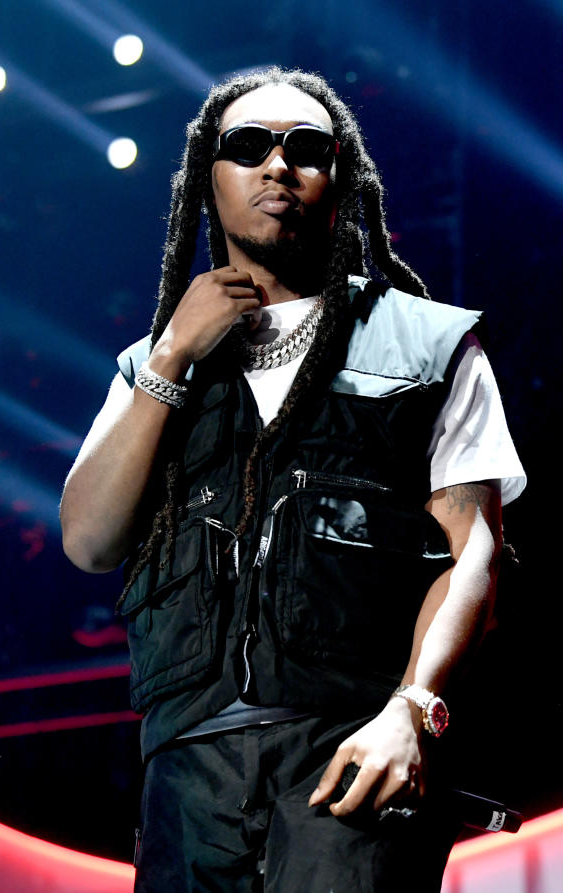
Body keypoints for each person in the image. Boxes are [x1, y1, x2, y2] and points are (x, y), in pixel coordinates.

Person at [60, 67, 526, 893]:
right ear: (209, 176)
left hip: (352, 752)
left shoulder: (425, 342)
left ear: (342, 180)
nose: (280, 165)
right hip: (187, 774)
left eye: (308, 148)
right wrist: (171, 355)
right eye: (250, 145)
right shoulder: (150, 365)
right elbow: (90, 539)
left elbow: (474, 557)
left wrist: (413, 712)